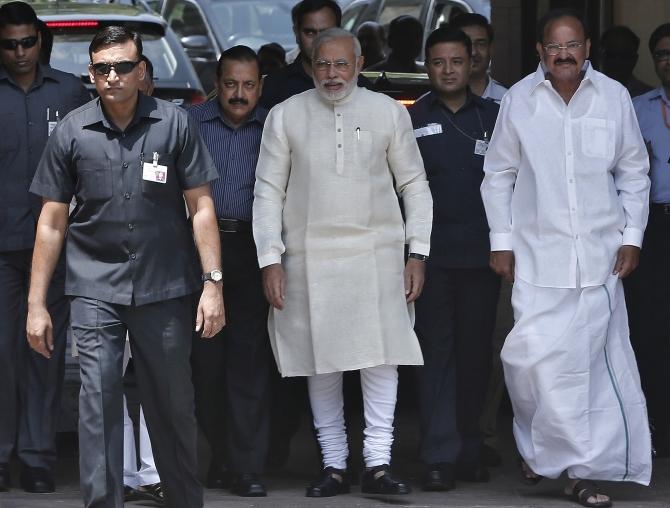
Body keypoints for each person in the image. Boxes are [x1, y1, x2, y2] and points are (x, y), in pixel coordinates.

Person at [26, 25, 224, 508]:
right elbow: (51, 221)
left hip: (165, 287)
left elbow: (201, 206)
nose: (112, 76)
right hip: (94, 287)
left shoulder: (175, 123)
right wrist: (36, 303)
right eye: (101, 68)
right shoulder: (72, 130)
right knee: (97, 403)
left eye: (121, 66)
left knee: (173, 404)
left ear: (141, 71)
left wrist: (213, 284)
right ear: (90, 74)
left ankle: (183, 499)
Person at [480, 9, 652, 507]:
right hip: (537, 259)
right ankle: (541, 448)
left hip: (599, 260)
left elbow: (634, 172)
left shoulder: (614, 98)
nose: (564, 54)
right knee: (526, 363)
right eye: (554, 47)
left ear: (587, 48)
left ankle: (579, 472)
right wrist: (502, 242)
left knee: (587, 374)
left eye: (572, 45)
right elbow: (498, 175)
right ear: (540, 51)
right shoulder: (519, 100)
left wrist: (632, 236)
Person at [253, 27, 432, 497]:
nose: (332, 74)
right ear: (310, 67)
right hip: (310, 259)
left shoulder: (388, 113)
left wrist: (418, 252)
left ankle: (378, 463)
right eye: (323, 64)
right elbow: (268, 192)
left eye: (341, 64)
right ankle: (333, 464)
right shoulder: (285, 114)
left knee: (381, 359)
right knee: (322, 360)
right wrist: (270, 259)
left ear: (358, 66)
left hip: (378, 255)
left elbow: (414, 184)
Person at [0, 0, 89, 494]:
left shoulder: (71, 92)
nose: (19, 52)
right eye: (9, 44)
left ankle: (36, 458)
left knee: (44, 353)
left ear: (40, 40)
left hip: (54, 249)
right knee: (1, 355)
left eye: (27, 42)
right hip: (2, 249)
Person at [409, 25, 500, 492]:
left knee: (474, 356)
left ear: (473, 63)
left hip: (483, 258)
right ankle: (439, 454)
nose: (448, 70)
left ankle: (468, 446)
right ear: (427, 66)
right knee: (435, 354)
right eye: (438, 62)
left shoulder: (497, 116)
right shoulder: (409, 116)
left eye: (456, 61)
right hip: (429, 258)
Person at [188, 45, 272, 497]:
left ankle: (246, 466)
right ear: (216, 84)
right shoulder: (191, 123)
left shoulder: (276, 125)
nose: (239, 94)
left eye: (248, 85)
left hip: (255, 248)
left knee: (249, 360)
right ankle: (219, 456)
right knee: (205, 363)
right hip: (201, 250)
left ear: (261, 85)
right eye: (230, 84)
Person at [449, 11, 508, 467]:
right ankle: (452, 439)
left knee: (496, 344)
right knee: (451, 348)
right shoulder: (432, 108)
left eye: (480, 43)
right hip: (450, 248)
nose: (473, 54)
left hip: (504, 246)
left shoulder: (516, 102)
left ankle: (483, 434)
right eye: (464, 45)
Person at [627, 22, 670, 459]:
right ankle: (655, 421)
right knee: (650, 327)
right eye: (661, 53)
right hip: (652, 226)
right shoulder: (637, 108)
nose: (668, 60)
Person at [260, 0, 369, 109]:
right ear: (296, 33)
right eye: (310, 33)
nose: (319, 40)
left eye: (326, 33)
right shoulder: (273, 87)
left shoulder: (362, 86)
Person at [450, 14, 507, 103]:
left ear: (491, 49)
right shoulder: (429, 104)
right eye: (466, 44)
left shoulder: (508, 99)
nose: (473, 52)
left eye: (481, 44)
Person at [600, 25, 653, 99]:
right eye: (611, 55)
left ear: (634, 59)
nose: (617, 62)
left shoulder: (649, 97)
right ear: (601, 57)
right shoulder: (585, 92)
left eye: (624, 56)